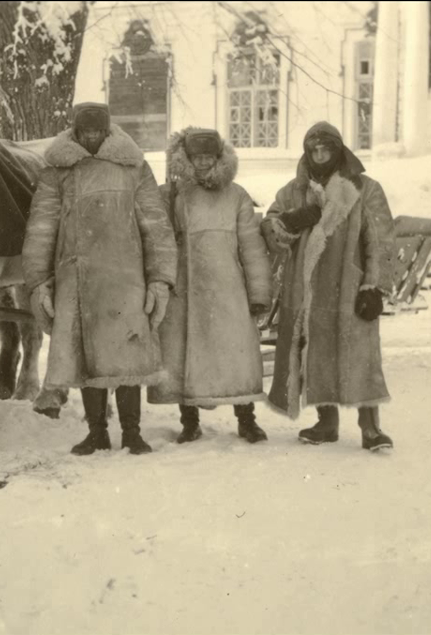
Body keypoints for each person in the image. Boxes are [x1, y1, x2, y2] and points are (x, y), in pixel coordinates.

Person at [23, 103, 178, 455]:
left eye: (97, 132)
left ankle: (132, 432)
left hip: (126, 277)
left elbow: (155, 225)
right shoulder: (57, 170)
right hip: (75, 277)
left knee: (127, 358)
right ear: (75, 132)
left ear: (108, 131)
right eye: (85, 132)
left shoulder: (132, 166)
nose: (91, 138)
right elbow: (41, 228)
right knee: (85, 358)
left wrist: (159, 280)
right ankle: (96, 432)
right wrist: (38, 283)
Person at [260, 121, 396, 451]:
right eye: (314, 149)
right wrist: (294, 220)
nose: (320, 155)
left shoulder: (365, 188)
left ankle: (371, 428)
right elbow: (270, 226)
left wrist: (374, 287)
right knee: (314, 353)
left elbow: (380, 241)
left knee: (360, 355)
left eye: (326, 149)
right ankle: (326, 423)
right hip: (306, 288)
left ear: (338, 151)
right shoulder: (294, 190)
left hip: (349, 287)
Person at [148, 128, 272, 444]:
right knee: (182, 356)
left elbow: (251, 247)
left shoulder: (237, 196)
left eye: (209, 157)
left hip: (228, 289)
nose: (203, 163)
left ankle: (246, 419)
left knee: (236, 354)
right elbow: (156, 241)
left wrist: (258, 292)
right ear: (185, 159)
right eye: (196, 157)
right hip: (184, 290)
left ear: (219, 158)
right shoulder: (172, 195)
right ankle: (190, 422)